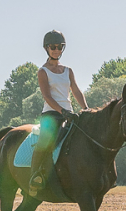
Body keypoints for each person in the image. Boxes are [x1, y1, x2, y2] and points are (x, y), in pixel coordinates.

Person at [31, 30, 88, 190]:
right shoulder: (43, 71)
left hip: (69, 113)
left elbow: (76, 91)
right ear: (46, 48)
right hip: (51, 114)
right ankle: (35, 175)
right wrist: (62, 112)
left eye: (60, 47)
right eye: (53, 47)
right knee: (45, 142)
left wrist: (85, 108)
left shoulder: (68, 71)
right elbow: (47, 97)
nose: (56, 50)